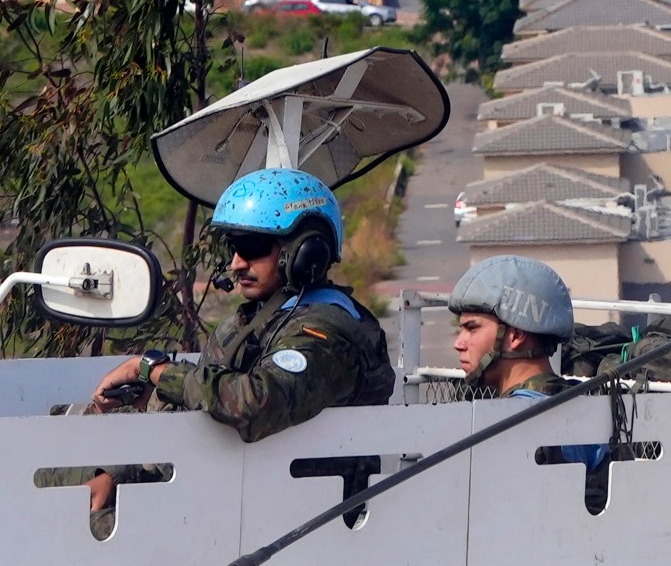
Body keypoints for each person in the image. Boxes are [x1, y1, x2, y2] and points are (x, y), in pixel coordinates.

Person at [77, 167, 396, 523]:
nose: (237, 263)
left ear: (306, 252)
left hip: (305, 526)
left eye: (252, 248)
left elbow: (252, 403)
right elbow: (202, 397)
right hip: (239, 500)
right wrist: (117, 475)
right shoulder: (260, 318)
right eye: (234, 247)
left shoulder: (325, 334)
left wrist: (152, 370)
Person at [447, 254, 574, 399]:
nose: (458, 344)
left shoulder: (513, 414)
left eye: (471, 328)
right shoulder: (583, 400)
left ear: (516, 336)